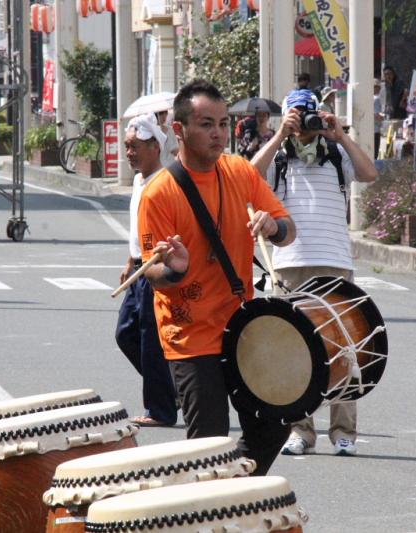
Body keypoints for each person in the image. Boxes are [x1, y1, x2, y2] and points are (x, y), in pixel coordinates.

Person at [137, 79, 297, 475]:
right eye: (207, 124)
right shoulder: (158, 192)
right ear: (179, 130)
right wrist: (174, 267)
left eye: (224, 123)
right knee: (207, 443)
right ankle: (211, 497)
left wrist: (272, 227)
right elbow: (152, 272)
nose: (219, 133)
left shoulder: (240, 171)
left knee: (280, 412)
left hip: (241, 324)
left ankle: (236, 481)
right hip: (190, 336)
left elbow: (287, 227)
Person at [251, 88, 378, 457]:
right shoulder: (280, 157)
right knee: (292, 351)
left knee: (344, 350)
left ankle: (343, 432)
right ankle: (300, 431)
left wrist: (339, 134)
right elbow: (249, 175)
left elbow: (370, 173)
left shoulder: (337, 154)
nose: (305, 125)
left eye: (309, 117)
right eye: (298, 117)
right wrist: (279, 135)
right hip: (288, 265)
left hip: (335, 260)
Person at [115, 113, 178, 428]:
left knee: (152, 341)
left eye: (135, 146)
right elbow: (136, 229)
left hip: (157, 269)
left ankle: (160, 409)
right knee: (125, 334)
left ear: (155, 146)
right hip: (139, 268)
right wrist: (130, 260)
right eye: (127, 146)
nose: (129, 152)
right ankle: (171, 389)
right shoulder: (140, 180)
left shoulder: (166, 182)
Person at [374, 78, 384, 157]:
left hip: (368, 130)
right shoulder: (376, 99)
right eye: (378, 87)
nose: (379, 89)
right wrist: (383, 119)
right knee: (375, 154)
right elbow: (376, 115)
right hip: (376, 129)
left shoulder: (366, 98)